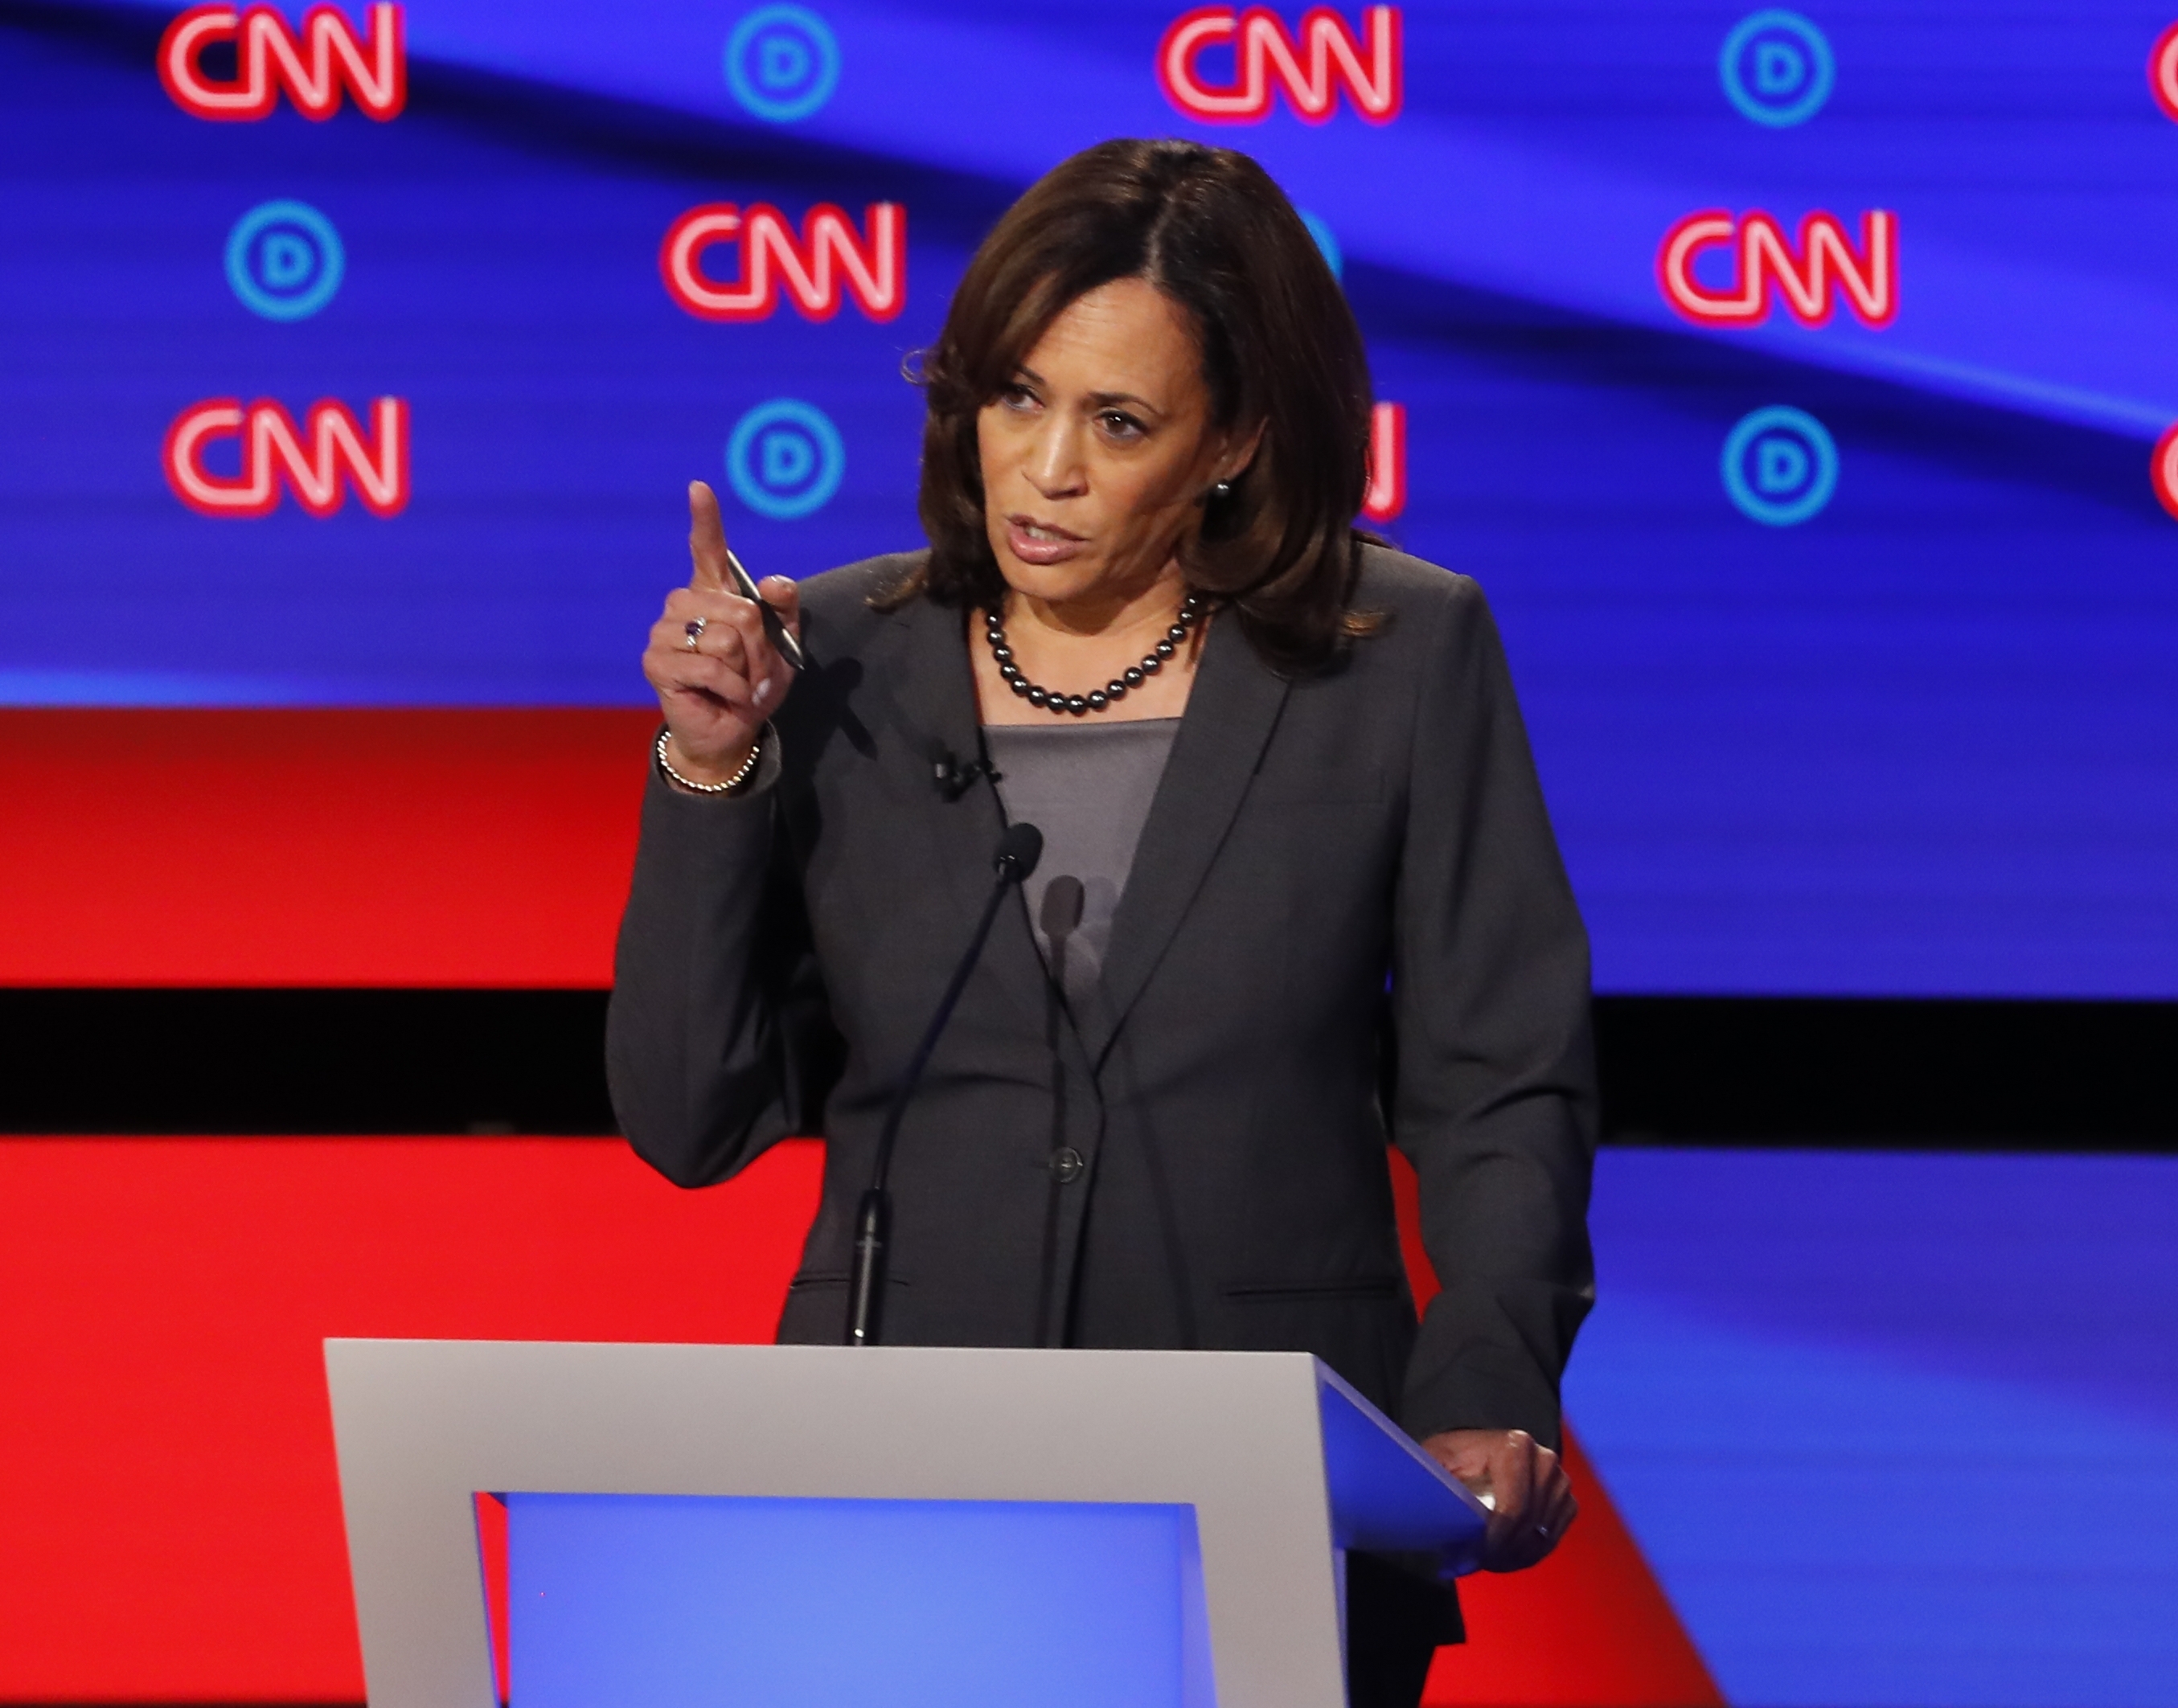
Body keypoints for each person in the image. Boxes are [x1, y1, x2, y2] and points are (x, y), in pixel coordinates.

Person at [608, 137, 1595, 1708]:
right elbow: (689, 1115)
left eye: (1115, 419)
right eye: (1013, 396)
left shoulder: (1395, 655)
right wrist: (709, 766)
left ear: (1233, 441)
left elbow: (1497, 1083)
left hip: (1274, 1483)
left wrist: (1483, 1389)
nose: (1043, 469)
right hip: (898, 1488)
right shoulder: (842, 655)